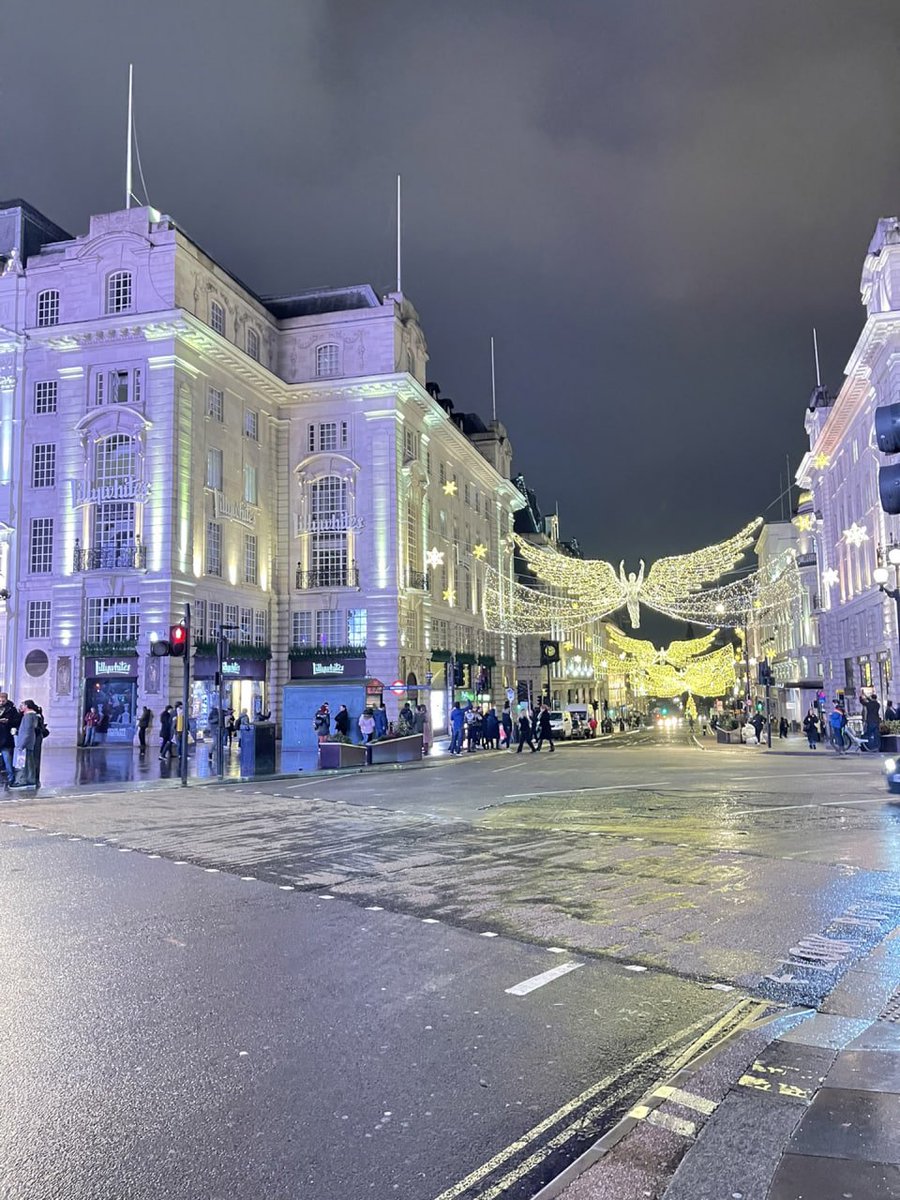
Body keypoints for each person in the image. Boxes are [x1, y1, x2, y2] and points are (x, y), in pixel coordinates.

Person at [10, 699, 39, 788]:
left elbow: (27, 731)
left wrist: (22, 744)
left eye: (22, 705)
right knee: (29, 762)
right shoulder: (32, 716)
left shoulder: (28, 716)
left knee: (22, 763)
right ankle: (30, 779)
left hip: (25, 743)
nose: (21, 707)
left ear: (26, 706)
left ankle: (22, 780)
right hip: (28, 742)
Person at [0, 692, 19, 785]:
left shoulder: (11, 709)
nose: (1, 702)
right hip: (4, 736)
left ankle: (11, 778)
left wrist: (8, 721)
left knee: (7, 758)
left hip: (5, 737)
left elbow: (16, 720)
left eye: (3, 700)